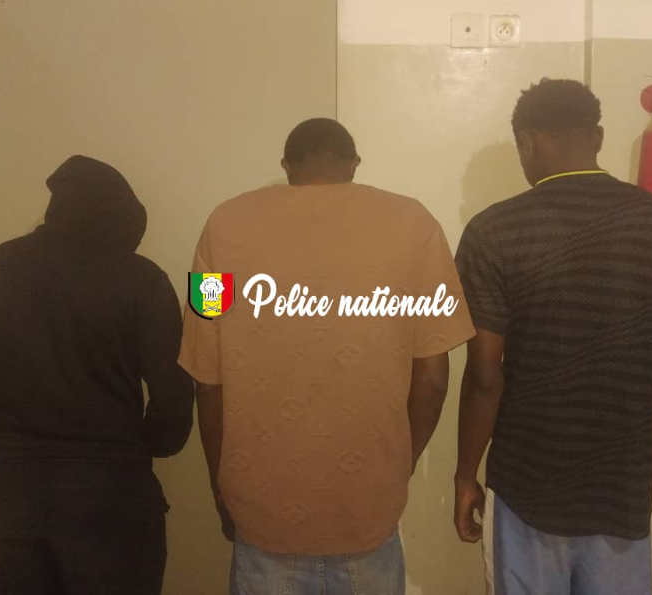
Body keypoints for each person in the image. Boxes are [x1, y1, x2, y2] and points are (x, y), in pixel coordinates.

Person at [178, 118, 475, 595]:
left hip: (262, 512)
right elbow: (434, 378)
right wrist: (397, 466)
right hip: (368, 510)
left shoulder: (222, 226)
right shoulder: (414, 225)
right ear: (354, 164)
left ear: (286, 166)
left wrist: (222, 484)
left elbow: (207, 382)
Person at [453, 78, 652, 594]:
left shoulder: (494, 231)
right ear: (598, 137)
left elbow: (484, 378)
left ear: (526, 141)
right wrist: (643, 471)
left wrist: (464, 475)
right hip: (620, 489)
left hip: (527, 483)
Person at [0, 155, 195, 595]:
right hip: (116, 499)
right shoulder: (142, 280)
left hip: (18, 503)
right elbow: (173, 396)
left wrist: (13, 449)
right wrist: (142, 446)